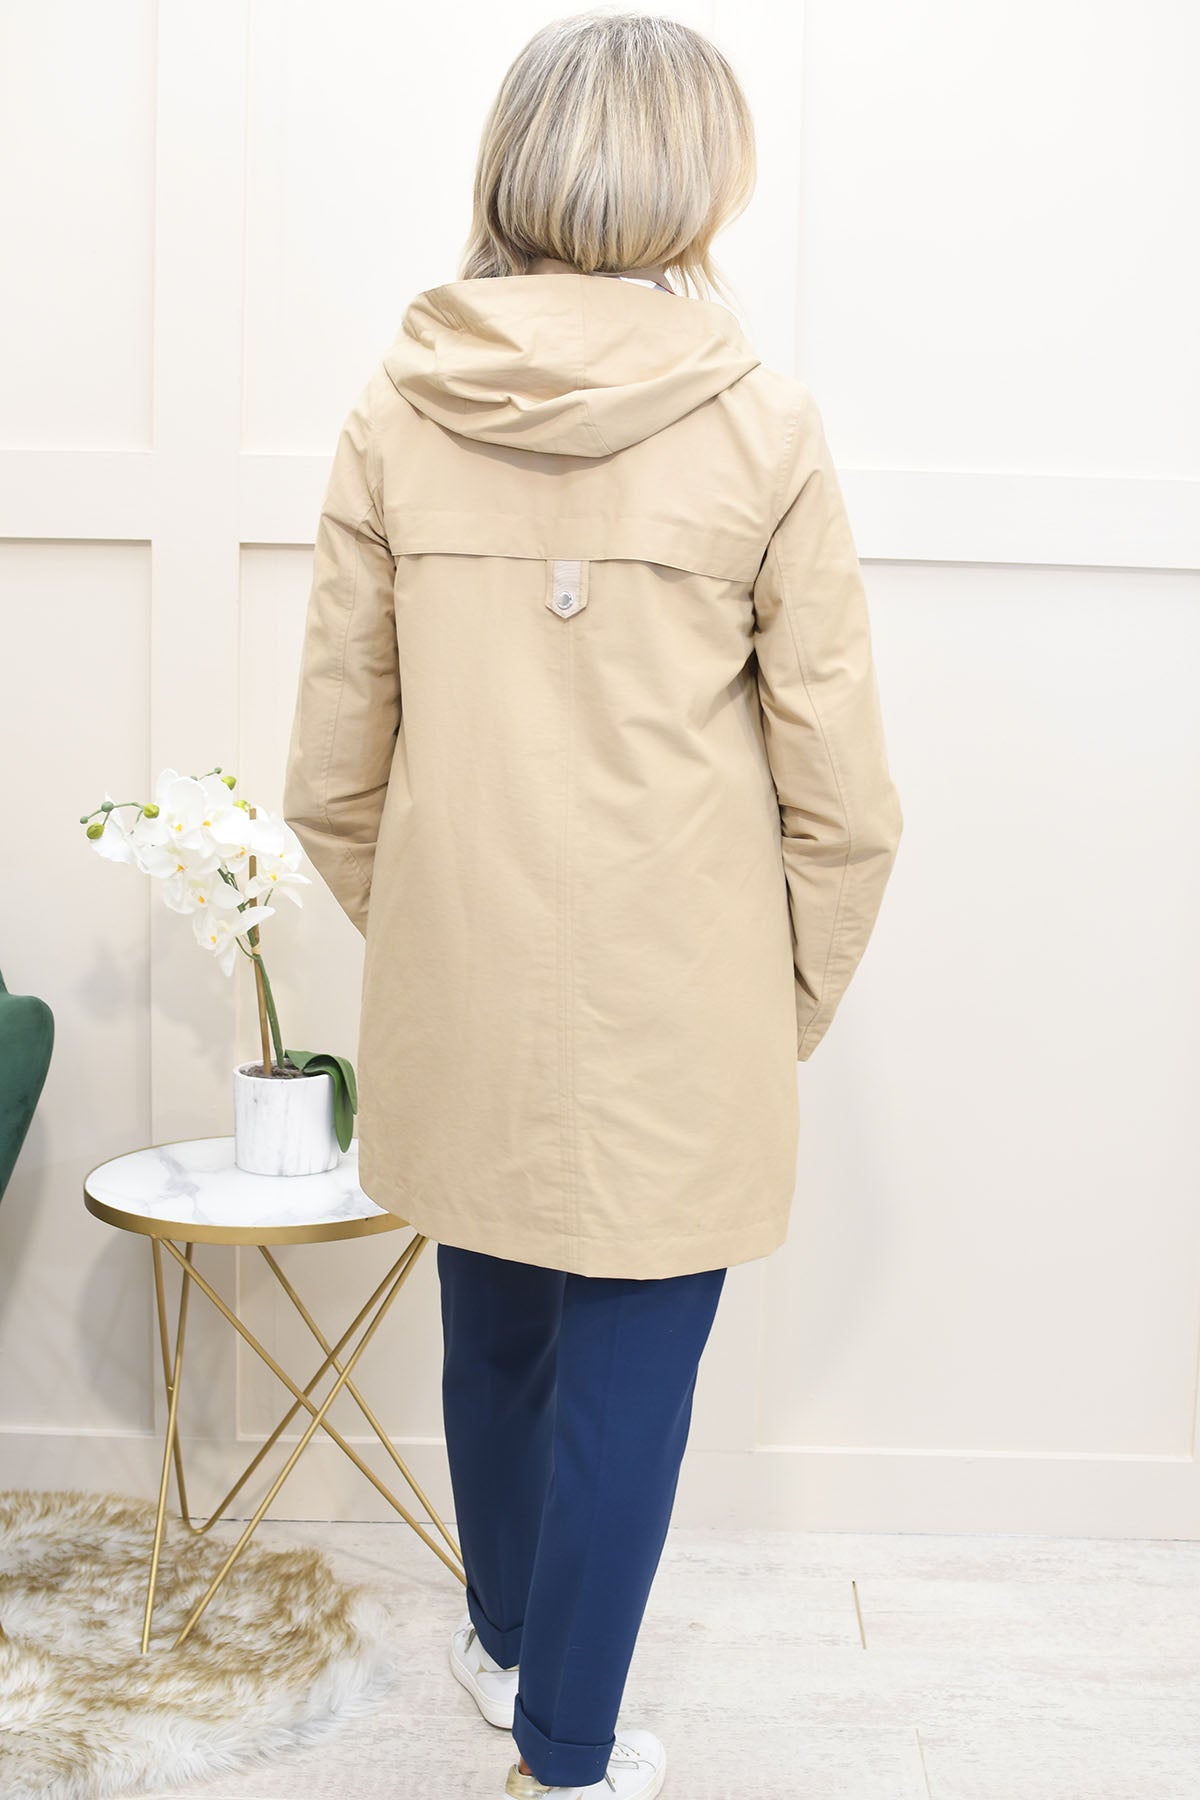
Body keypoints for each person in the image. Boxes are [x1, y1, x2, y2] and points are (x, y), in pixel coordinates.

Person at [282, 12, 904, 1797]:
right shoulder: (765, 425)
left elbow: (332, 773)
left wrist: (445, 946)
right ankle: (568, 1752)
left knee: (494, 1335)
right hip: (680, 1001)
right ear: (699, 180)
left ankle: (502, 1651)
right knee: (629, 1377)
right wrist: (767, 1005)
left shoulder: (394, 409)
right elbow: (844, 802)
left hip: (468, 985)